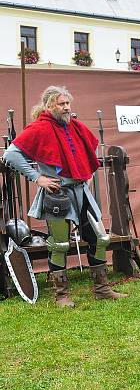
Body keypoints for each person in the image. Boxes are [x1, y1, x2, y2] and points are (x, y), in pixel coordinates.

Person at [3, 85, 128, 307]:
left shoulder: (76, 126)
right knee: (59, 244)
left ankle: (102, 289)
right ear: (49, 105)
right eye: (62, 104)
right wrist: (37, 177)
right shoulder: (39, 128)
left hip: (81, 191)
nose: (66, 108)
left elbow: (86, 154)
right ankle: (62, 295)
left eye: (68, 103)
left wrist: (86, 174)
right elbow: (11, 154)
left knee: (99, 238)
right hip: (57, 194)